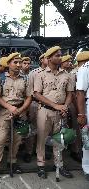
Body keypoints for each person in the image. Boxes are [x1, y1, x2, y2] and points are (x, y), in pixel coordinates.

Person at [0, 52, 32, 183]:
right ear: (8, 64)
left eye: (20, 62)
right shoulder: (0, 78)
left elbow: (29, 97)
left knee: (17, 139)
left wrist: (20, 109)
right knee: (0, 139)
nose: (18, 65)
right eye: (15, 62)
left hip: (20, 111)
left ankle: (12, 162)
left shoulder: (25, 78)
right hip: (4, 111)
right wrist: (9, 107)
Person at [34, 46, 74, 179]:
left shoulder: (67, 75)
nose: (60, 57)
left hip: (60, 112)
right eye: (57, 55)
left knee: (59, 139)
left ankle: (59, 165)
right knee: (42, 139)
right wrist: (55, 105)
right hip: (45, 111)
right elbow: (37, 95)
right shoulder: (40, 74)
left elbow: (70, 93)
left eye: (60, 55)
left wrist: (65, 106)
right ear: (49, 58)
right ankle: (41, 166)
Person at [61, 55, 82, 162]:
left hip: (70, 103)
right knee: (60, 127)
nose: (69, 63)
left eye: (70, 61)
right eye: (67, 61)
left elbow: (74, 93)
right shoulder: (57, 73)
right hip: (58, 104)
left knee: (74, 127)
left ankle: (75, 150)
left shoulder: (72, 75)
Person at [75, 51, 89, 180]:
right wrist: (81, 113)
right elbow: (80, 92)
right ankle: (87, 168)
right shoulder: (85, 68)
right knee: (88, 138)